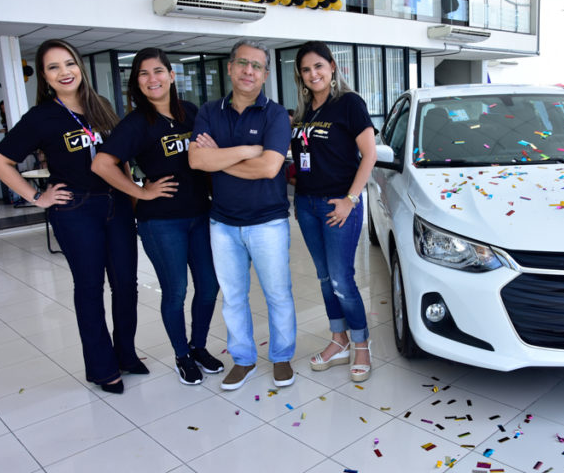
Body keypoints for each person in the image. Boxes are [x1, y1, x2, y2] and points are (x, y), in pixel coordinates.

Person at [0, 39, 144, 394]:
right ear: (44, 77)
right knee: (89, 288)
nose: (64, 72)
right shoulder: (41, 117)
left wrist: (134, 192)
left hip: (117, 204)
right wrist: (36, 197)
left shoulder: (101, 106)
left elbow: (119, 156)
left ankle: (126, 354)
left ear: (79, 66)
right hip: (76, 210)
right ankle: (103, 368)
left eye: (69, 63)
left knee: (126, 285)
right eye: (53, 67)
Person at [92, 48, 223, 386]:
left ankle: (198, 347)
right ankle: (182, 355)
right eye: (144, 74)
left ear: (171, 75)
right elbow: (102, 164)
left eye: (158, 71)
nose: (153, 79)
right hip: (162, 222)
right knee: (176, 291)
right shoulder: (137, 123)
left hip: (200, 215)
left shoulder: (190, 112)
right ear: (137, 82)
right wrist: (141, 192)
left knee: (209, 286)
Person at [188, 39, 296, 391]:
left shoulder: (275, 114)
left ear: (265, 74)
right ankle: (244, 359)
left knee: (277, 294)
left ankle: (281, 356)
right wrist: (248, 150)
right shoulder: (209, 112)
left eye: (257, 66)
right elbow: (196, 160)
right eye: (243, 63)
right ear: (231, 67)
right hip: (222, 224)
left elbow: (268, 168)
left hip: (268, 223)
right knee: (233, 298)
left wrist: (220, 157)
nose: (249, 71)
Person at [291, 41, 376, 382]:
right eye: (306, 69)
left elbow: (369, 155)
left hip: (338, 204)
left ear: (332, 67)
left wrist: (350, 200)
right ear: (300, 75)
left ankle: (361, 344)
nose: (313, 74)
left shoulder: (349, 103)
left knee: (342, 279)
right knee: (325, 278)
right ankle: (339, 340)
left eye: (318, 66)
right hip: (307, 204)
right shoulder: (304, 112)